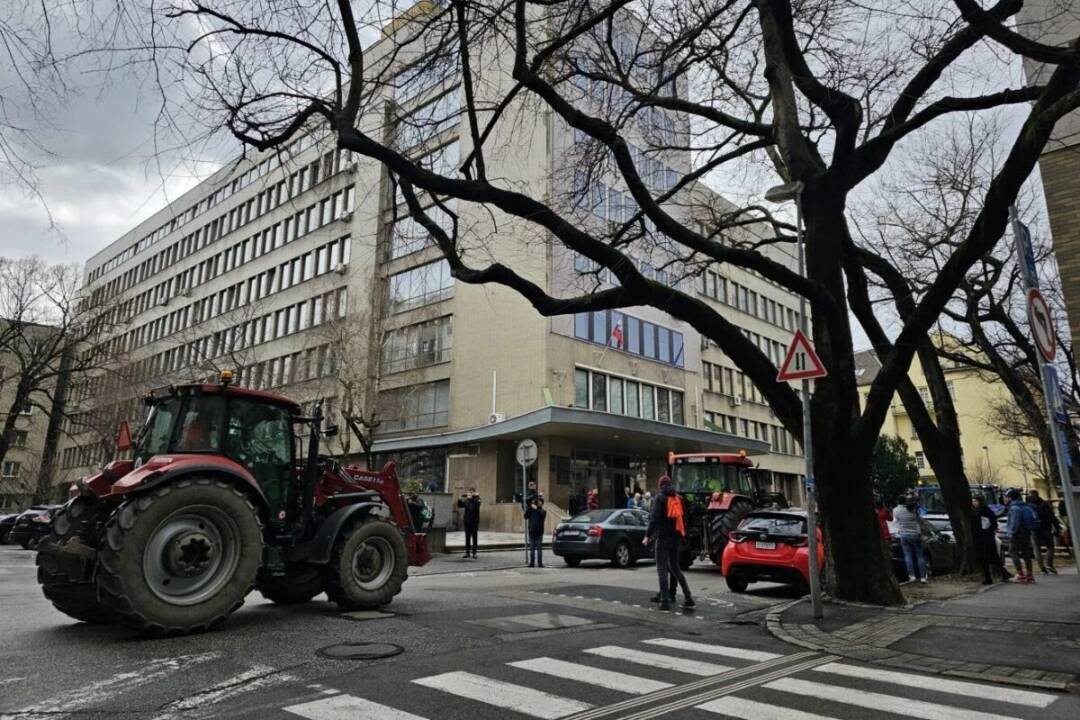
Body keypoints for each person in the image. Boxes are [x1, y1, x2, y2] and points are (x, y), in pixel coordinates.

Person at [644, 475, 694, 611]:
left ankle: (664, 600)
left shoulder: (660, 498)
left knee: (661, 569)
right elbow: (685, 518)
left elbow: (654, 519)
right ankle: (688, 597)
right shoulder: (679, 498)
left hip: (663, 537)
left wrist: (647, 536)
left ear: (661, 485)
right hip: (676, 538)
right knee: (675, 567)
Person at [971, 496, 1010, 584]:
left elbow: (992, 523)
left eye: (976, 501)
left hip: (986, 537)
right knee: (984, 558)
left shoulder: (986, 511)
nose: (974, 503)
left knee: (991, 557)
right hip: (979, 537)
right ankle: (990, 577)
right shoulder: (974, 511)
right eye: (973, 501)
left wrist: (988, 530)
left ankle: (1001, 574)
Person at [892, 494, 927, 583]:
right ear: (906, 501)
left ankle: (912, 576)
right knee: (919, 556)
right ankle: (923, 577)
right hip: (915, 534)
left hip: (904, 535)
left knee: (908, 556)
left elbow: (896, 521)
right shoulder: (913, 510)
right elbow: (919, 519)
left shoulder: (895, 510)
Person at [1005, 488, 1037, 583]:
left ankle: (1020, 574)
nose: (1005, 499)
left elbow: (1014, 523)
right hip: (1026, 532)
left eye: (1006, 497)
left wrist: (1010, 533)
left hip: (1017, 534)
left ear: (1010, 498)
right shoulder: (1025, 506)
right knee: (1026, 553)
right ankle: (1029, 574)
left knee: (1012, 551)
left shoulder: (1014, 508)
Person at [1028, 490, 1061, 575]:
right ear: (1038, 495)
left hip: (1034, 530)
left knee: (1036, 548)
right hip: (1046, 528)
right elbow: (1052, 516)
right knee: (1050, 547)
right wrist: (1057, 527)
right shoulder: (1045, 504)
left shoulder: (1028, 506)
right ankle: (1049, 564)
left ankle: (1042, 568)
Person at [457, 487, 482, 559]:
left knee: (474, 537)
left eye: (471, 492)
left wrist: (473, 498)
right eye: (469, 492)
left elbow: (477, 504)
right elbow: (459, 505)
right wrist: (459, 498)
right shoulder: (467, 501)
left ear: (474, 493)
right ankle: (467, 553)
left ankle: (474, 553)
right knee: (467, 537)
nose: (470, 494)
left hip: (474, 522)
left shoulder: (478, 499)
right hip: (467, 522)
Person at [524, 497, 547, 568]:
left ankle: (540, 563)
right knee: (532, 549)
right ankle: (532, 563)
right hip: (531, 532)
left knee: (539, 549)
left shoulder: (543, 511)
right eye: (538, 501)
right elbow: (525, 516)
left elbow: (542, 516)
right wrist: (529, 507)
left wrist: (536, 508)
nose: (539, 503)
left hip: (539, 533)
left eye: (540, 502)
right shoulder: (531, 510)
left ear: (542, 503)